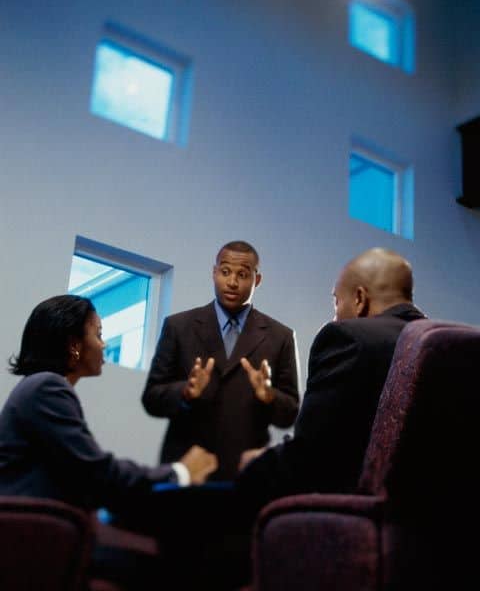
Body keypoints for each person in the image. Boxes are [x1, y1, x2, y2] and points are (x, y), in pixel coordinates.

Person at [0, 294, 218, 589]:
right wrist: (179, 472)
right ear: (74, 345)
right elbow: (98, 473)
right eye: (98, 334)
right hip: (34, 540)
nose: (103, 344)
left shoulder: (39, 387)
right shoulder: (47, 387)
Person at [235, 246, 427, 519]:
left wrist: (255, 465)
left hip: (357, 518)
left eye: (336, 303)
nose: (335, 316)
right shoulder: (444, 344)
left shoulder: (350, 338)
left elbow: (309, 461)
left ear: (359, 298)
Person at [141, 240, 300, 480]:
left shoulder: (281, 337)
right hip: (188, 469)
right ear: (214, 273)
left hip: (247, 475)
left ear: (257, 280)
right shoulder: (178, 326)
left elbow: (290, 414)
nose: (232, 282)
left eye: (242, 275)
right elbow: (151, 398)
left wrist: (270, 396)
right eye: (225, 272)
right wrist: (185, 392)